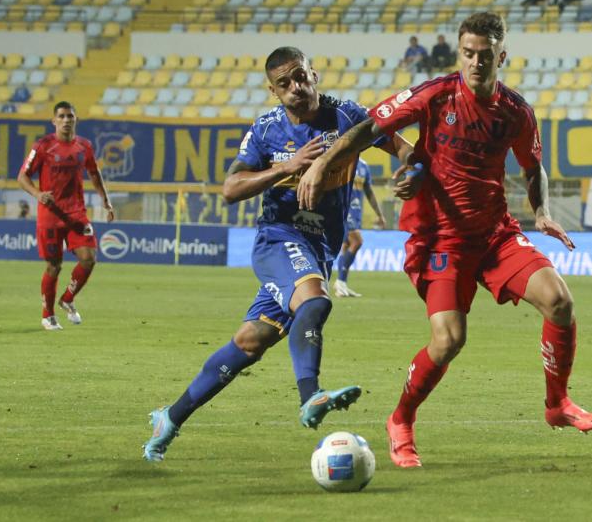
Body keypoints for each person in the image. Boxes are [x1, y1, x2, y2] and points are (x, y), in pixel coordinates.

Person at [297, 12, 592, 468]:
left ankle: (557, 404)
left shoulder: (517, 112)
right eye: (468, 54)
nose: (476, 62)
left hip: (495, 234)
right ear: (459, 54)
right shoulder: (436, 94)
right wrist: (323, 165)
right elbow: (369, 128)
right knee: (448, 340)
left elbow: (532, 164)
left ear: (501, 56)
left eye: (485, 56)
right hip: (442, 239)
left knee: (559, 300)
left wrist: (540, 212)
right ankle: (400, 419)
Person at [142, 47, 415, 462]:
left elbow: (401, 144)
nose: (295, 88)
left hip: (319, 249)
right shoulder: (267, 129)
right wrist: (287, 167)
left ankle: (170, 417)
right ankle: (311, 396)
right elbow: (231, 188)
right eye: (284, 84)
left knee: (251, 341)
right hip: (278, 238)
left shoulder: (348, 117)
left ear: (314, 75)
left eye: (300, 77)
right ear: (273, 91)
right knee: (316, 298)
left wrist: (411, 169)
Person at [17, 101, 114, 331]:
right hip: (50, 215)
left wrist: (106, 200)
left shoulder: (85, 147)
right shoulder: (42, 146)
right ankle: (47, 315)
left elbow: (94, 173)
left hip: (76, 213)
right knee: (54, 265)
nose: (66, 120)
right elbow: (22, 176)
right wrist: (37, 194)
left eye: (70, 116)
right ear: (54, 121)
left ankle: (67, 299)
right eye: (61, 116)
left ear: (76, 119)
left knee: (89, 258)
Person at [334, 158, 386, 298]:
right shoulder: (342, 160)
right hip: (343, 209)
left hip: (356, 211)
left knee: (346, 245)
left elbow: (368, 191)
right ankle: (339, 281)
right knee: (357, 241)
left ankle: (342, 284)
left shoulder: (363, 166)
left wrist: (379, 214)